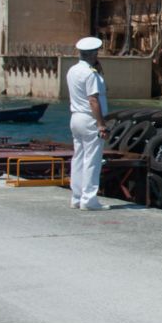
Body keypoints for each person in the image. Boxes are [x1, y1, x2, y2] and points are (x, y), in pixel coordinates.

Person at [66, 36, 111, 210]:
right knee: (92, 159)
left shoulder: (73, 70)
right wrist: (101, 124)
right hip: (89, 118)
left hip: (76, 116)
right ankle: (89, 200)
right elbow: (93, 100)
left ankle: (76, 197)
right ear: (94, 54)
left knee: (78, 157)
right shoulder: (90, 74)